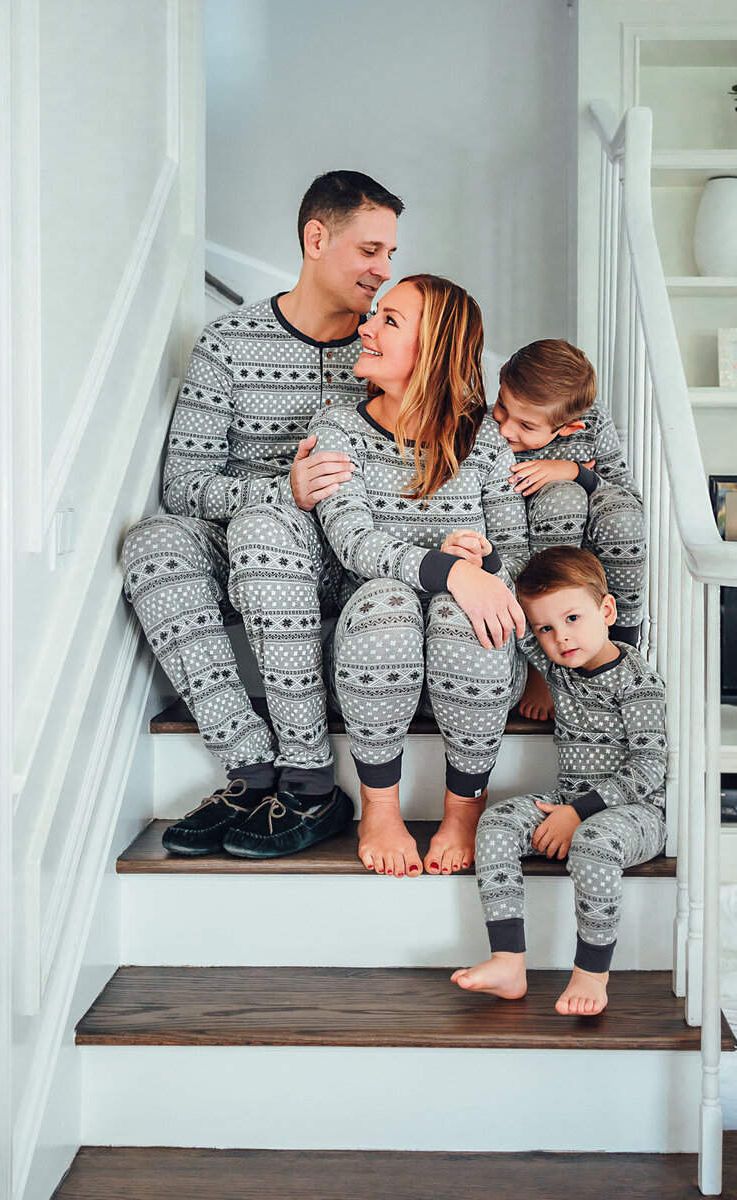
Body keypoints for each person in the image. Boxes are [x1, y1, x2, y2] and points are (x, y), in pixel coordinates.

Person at [121, 170, 403, 858]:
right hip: (254, 561)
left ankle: (309, 782)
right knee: (152, 542)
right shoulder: (228, 343)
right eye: (371, 250)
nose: (384, 269)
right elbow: (185, 487)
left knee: (261, 524)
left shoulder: (389, 347)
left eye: (391, 253)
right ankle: (252, 773)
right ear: (316, 238)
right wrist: (284, 490)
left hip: (357, 559)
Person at [309, 275, 529, 878]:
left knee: (471, 609)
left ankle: (464, 809)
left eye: (390, 321)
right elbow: (356, 542)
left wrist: (481, 562)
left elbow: (516, 552)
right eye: (374, 315)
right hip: (372, 657)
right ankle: (380, 806)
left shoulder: (485, 437)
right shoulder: (338, 429)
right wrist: (450, 570)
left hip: (475, 673)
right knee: (387, 599)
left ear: (435, 349)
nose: (366, 327)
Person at [452, 546, 667, 1015]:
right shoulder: (558, 666)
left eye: (572, 618)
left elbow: (650, 770)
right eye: (546, 628)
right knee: (496, 824)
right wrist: (485, 565)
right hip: (569, 801)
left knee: (593, 843)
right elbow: (514, 615)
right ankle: (508, 960)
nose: (560, 638)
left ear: (606, 610)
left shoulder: (638, 682)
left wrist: (579, 813)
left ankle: (592, 973)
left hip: (638, 812)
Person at [491, 339, 646, 723]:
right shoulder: (487, 428)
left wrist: (575, 471)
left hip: (574, 540)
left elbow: (624, 491)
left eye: (526, 425)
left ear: (570, 427)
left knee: (609, 510)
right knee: (563, 499)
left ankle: (619, 651)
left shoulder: (592, 422)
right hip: (513, 534)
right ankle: (543, 666)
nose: (505, 428)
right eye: (501, 407)